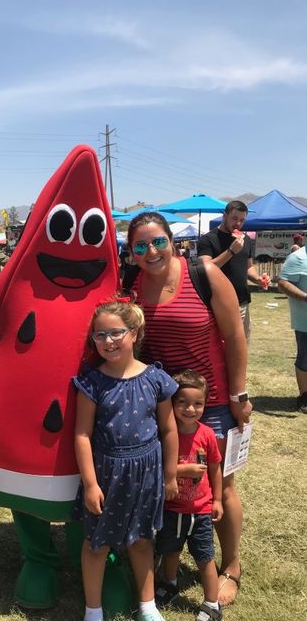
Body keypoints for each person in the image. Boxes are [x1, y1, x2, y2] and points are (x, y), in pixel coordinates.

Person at [125, 211, 252, 606]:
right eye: (141, 245)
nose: (151, 251)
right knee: (167, 481)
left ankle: (231, 565)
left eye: (158, 241)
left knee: (220, 483)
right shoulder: (129, 284)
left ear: (172, 241)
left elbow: (235, 335)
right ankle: (170, 555)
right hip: (157, 406)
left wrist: (239, 395)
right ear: (132, 253)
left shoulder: (205, 274)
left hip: (209, 403)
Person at [73, 297, 179, 621]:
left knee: (143, 541)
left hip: (147, 474)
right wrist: (90, 484)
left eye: (115, 333)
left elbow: (169, 428)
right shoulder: (92, 383)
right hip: (107, 476)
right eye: (99, 335)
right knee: (96, 545)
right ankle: (93, 610)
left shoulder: (156, 379)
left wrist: (171, 474)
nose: (107, 341)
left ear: (134, 332)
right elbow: (82, 435)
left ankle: (148, 606)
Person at [155, 370, 223, 621]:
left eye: (198, 404)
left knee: (205, 557)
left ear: (205, 405)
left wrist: (216, 500)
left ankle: (212, 603)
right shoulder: (164, 435)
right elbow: (160, 467)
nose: (190, 409)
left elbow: (215, 466)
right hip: (172, 508)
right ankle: (169, 584)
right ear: (172, 403)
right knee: (170, 550)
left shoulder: (206, 434)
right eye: (182, 402)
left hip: (201, 510)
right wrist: (183, 470)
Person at [197, 200, 271, 340]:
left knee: (242, 349)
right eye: (234, 218)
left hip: (242, 303)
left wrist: (258, 279)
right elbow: (204, 270)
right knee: (222, 350)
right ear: (224, 215)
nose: (238, 224)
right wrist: (231, 251)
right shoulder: (208, 240)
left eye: (242, 220)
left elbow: (248, 266)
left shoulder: (246, 240)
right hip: (218, 306)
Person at [278, 246, 307, 413]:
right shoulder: (297, 258)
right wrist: (304, 297)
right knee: (305, 358)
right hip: (305, 322)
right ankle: (304, 396)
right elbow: (283, 283)